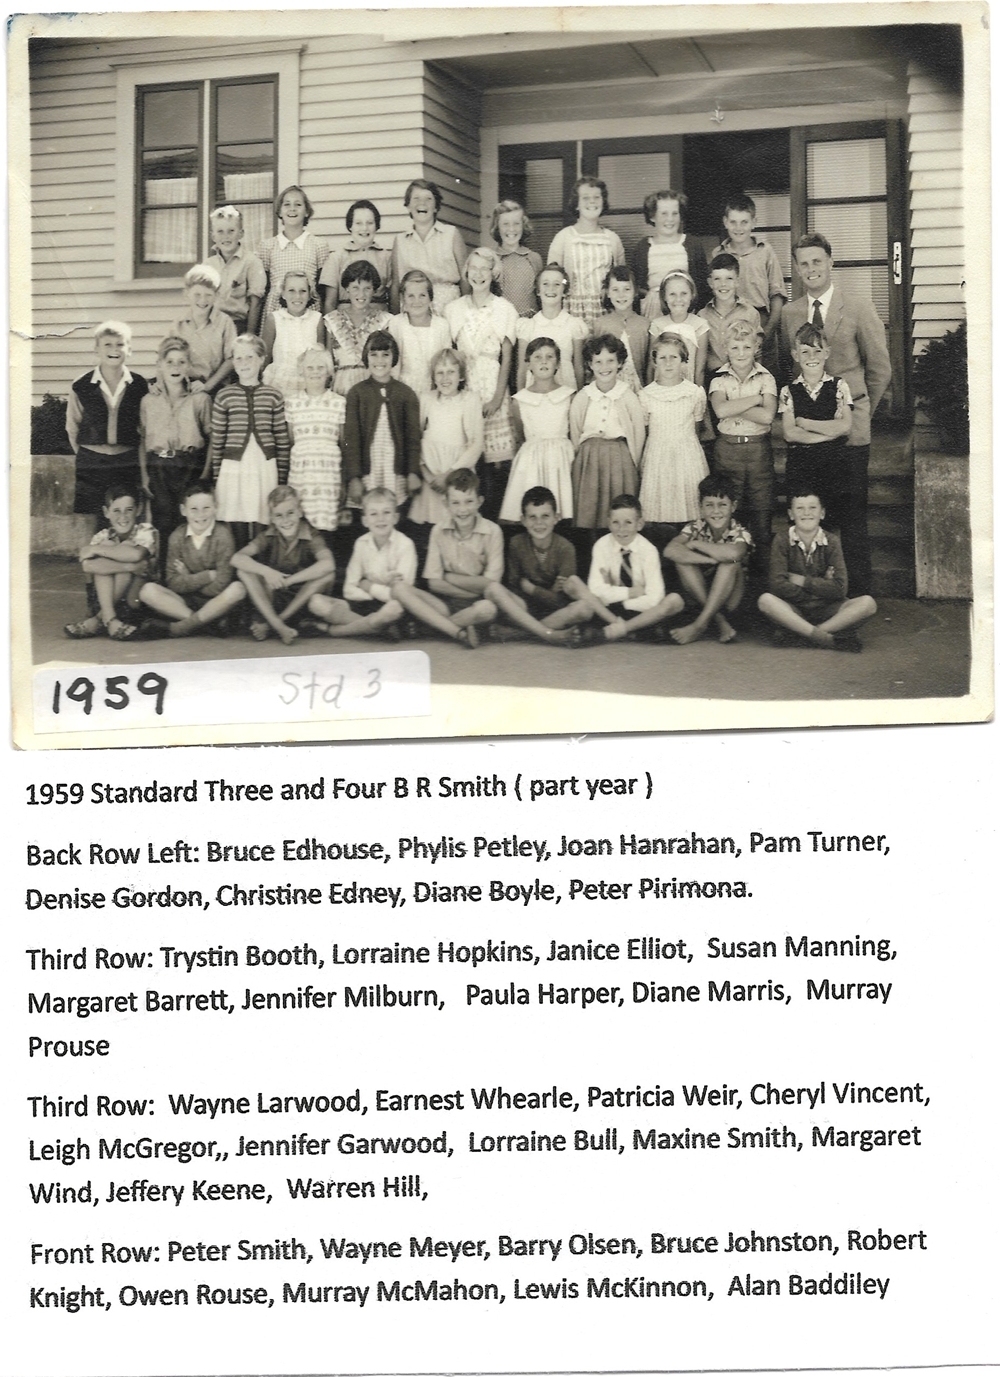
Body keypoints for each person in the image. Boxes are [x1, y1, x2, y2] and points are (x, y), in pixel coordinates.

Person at [780, 232, 892, 597]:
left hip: (849, 433)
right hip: (807, 435)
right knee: (810, 517)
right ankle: (814, 598)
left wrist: (861, 412)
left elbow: (880, 369)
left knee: (851, 520)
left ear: (830, 262)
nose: (811, 269)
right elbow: (791, 368)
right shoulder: (790, 313)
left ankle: (858, 599)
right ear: (796, 269)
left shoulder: (857, 307)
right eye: (803, 263)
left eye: (817, 261)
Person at [444, 247, 519, 518]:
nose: (478, 274)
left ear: (494, 273)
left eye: (484, 269)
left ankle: (495, 519)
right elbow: (451, 354)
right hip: (466, 389)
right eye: (473, 268)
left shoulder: (504, 309)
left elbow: (508, 357)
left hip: (492, 385)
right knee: (470, 458)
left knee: (497, 464)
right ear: (466, 272)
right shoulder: (453, 309)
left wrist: (498, 397)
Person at [391, 467, 500, 647]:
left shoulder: (492, 531)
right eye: (455, 503)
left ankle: (432, 627)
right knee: (399, 588)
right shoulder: (438, 530)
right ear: (445, 503)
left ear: (479, 502)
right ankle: (457, 630)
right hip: (443, 604)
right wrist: (475, 585)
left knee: (488, 609)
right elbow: (434, 583)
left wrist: (448, 577)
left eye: (468, 501)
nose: (462, 509)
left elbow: (490, 584)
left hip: (476, 604)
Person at [758, 491, 877, 651]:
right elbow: (777, 585)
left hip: (828, 608)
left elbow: (840, 588)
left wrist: (801, 581)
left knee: (868, 603)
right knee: (766, 600)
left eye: (812, 508)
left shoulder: (832, 541)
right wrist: (821, 587)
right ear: (791, 514)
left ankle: (807, 634)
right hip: (795, 608)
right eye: (800, 508)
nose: (806, 513)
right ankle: (827, 637)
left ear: (822, 513)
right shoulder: (781, 540)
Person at [707, 318, 778, 576]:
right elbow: (720, 409)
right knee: (729, 515)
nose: (740, 353)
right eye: (735, 347)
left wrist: (736, 406)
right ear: (726, 348)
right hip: (728, 452)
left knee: (761, 516)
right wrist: (756, 399)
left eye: (746, 347)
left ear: (756, 347)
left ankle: (761, 582)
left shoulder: (766, 377)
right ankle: (731, 578)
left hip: (758, 451)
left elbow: (767, 417)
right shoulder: (719, 378)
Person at [486, 486, 599, 645]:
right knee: (494, 590)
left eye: (545, 516)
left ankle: (518, 634)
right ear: (523, 520)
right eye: (532, 517)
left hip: (556, 612)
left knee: (585, 608)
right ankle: (548, 633)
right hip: (524, 609)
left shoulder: (565, 548)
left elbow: (561, 600)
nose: (539, 523)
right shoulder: (516, 543)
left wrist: (532, 589)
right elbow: (514, 587)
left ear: (556, 518)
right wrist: (547, 591)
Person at [207, 334, 290, 543]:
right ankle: (239, 566)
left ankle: (260, 564)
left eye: (250, 357)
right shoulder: (224, 396)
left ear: (262, 359)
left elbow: (281, 438)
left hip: (264, 464)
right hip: (233, 466)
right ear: (233, 362)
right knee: (237, 517)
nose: (244, 363)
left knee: (263, 515)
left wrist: (281, 476)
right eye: (238, 358)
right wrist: (217, 476)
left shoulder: (274, 395)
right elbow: (218, 440)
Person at [137, 481, 246, 637]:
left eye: (206, 508)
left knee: (238, 589)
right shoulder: (177, 537)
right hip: (186, 602)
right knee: (147, 591)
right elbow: (173, 583)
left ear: (215, 507)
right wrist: (206, 576)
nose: (200, 515)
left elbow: (221, 585)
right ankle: (206, 623)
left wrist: (187, 577)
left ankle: (180, 627)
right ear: (183, 510)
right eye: (194, 509)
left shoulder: (223, 536)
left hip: (216, 601)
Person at [778, 320, 854, 542]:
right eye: (805, 351)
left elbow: (845, 426)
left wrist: (806, 423)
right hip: (800, 468)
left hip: (834, 466)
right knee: (801, 525)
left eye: (817, 351)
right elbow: (790, 434)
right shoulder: (788, 391)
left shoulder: (839, 386)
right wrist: (829, 433)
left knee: (831, 525)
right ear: (795, 355)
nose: (812, 357)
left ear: (827, 353)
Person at [230, 485, 334, 644]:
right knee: (244, 572)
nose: (285, 521)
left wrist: (289, 580)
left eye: (290, 513)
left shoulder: (311, 534)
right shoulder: (268, 535)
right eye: (278, 515)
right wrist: (266, 571)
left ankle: (274, 624)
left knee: (328, 575)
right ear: (271, 518)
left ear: (300, 511)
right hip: (274, 599)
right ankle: (279, 626)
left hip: (301, 602)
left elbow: (328, 564)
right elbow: (237, 558)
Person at [138, 335, 213, 556]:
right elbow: (142, 439)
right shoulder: (148, 401)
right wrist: (144, 476)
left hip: (190, 466)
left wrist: (205, 474)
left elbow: (212, 439)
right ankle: (164, 576)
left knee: (190, 522)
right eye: (169, 361)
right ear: (160, 364)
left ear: (189, 365)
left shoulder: (200, 399)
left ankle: (188, 578)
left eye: (181, 362)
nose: (175, 367)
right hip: (159, 466)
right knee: (163, 522)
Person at [308, 487, 415, 640]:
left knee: (394, 608)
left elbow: (404, 595)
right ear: (365, 520)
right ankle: (378, 628)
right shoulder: (361, 543)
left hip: (388, 606)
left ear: (395, 517)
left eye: (386, 512)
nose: (380, 519)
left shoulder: (405, 545)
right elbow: (349, 589)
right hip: (362, 604)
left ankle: (336, 630)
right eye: (373, 514)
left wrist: (367, 585)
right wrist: (377, 591)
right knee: (316, 602)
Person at [66, 320, 148, 517]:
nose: (114, 349)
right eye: (107, 344)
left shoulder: (139, 385)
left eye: (120, 344)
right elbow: (72, 427)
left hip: (126, 461)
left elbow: (145, 429)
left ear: (129, 349)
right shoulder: (81, 385)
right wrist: (89, 456)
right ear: (96, 349)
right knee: (93, 516)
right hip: (92, 462)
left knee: (125, 513)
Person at [570, 334, 645, 537]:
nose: (605, 367)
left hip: (619, 458)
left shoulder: (627, 395)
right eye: (598, 361)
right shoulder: (583, 396)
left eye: (611, 360)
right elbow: (575, 431)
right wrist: (580, 458)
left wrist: (633, 463)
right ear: (590, 364)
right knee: (590, 509)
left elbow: (638, 432)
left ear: (620, 363)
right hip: (589, 459)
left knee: (618, 507)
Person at [581, 493, 683, 643]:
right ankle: (636, 632)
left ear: (639, 524)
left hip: (638, 610)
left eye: (628, 522)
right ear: (608, 523)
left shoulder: (648, 550)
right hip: (610, 610)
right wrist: (630, 592)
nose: (621, 529)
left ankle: (621, 630)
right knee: (582, 594)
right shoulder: (601, 546)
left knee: (675, 601)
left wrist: (622, 602)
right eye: (616, 522)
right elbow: (595, 589)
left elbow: (655, 597)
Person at [664, 473, 752, 644]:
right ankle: (718, 620)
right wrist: (709, 560)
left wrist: (697, 544)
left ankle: (699, 625)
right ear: (701, 507)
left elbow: (735, 553)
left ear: (733, 506)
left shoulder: (740, 531)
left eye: (722, 505)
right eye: (709, 505)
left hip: (732, 597)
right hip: (702, 590)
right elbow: (670, 550)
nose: (716, 511)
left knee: (730, 563)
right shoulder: (695, 526)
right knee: (682, 561)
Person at [63, 484, 156, 641]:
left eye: (129, 510)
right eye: (116, 511)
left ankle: (98, 620)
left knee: (121, 548)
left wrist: (97, 551)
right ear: (106, 512)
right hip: (99, 599)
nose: (123, 516)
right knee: (108, 546)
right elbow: (88, 565)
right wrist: (129, 567)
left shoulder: (146, 530)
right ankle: (111, 620)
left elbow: (135, 554)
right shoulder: (102, 535)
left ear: (138, 510)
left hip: (132, 604)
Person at [343, 331, 422, 511]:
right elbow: (351, 439)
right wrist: (354, 477)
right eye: (374, 355)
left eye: (386, 354)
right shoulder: (356, 393)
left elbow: (413, 438)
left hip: (394, 471)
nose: (380, 360)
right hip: (368, 470)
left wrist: (412, 472)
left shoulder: (406, 394)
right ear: (366, 357)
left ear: (394, 358)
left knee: (393, 512)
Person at [500, 338, 575, 524]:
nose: (544, 361)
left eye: (550, 357)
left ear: (557, 363)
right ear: (529, 364)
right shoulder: (519, 400)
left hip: (562, 461)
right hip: (531, 460)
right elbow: (520, 434)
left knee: (563, 508)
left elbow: (574, 431)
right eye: (538, 357)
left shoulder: (569, 396)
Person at [638, 333, 708, 532]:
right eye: (662, 358)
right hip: (657, 456)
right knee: (659, 511)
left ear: (684, 360)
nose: (668, 363)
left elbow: (697, 427)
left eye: (674, 357)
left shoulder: (694, 393)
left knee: (689, 508)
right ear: (654, 362)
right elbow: (646, 430)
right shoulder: (645, 395)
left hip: (687, 455)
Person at [411, 348, 484, 529]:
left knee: (456, 522)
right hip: (431, 475)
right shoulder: (426, 399)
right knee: (431, 525)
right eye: (440, 373)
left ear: (461, 376)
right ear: (433, 377)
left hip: (457, 473)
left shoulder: (470, 400)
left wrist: (449, 476)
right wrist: (428, 476)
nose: (445, 378)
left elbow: (476, 444)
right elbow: (414, 438)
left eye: (451, 372)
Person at [284, 345, 346, 539]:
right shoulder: (292, 402)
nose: (315, 372)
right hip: (302, 471)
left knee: (325, 525)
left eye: (320, 368)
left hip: (328, 473)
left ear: (328, 371)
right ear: (302, 371)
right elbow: (291, 439)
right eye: (310, 368)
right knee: (301, 522)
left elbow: (342, 441)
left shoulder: (338, 402)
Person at [712, 193, 786, 354]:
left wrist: (768, 331)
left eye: (744, 222)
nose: (738, 228)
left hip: (761, 320)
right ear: (725, 222)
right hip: (728, 320)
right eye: (733, 222)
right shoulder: (717, 254)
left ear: (754, 222)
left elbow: (777, 294)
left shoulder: (765, 252)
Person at [547, 176, 625, 327]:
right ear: (576, 204)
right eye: (585, 198)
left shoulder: (613, 239)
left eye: (597, 197)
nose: (592, 202)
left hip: (605, 310)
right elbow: (553, 278)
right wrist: (569, 288)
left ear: (603, 202)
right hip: (571, 311)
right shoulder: (563, 237)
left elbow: (621, 278)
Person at [631, 188, 710, 320]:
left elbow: (702, 287)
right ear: (652, 216)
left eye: (675, 213)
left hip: (685, 314)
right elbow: (634, 288)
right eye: (664, 214)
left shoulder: (693, 244)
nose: (670, 219)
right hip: (652, 315)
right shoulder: (642, 248)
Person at [391, 179, 468, 313]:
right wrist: (394, 318)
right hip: (413, 309)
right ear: (408, 206)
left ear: (436, 207)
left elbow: (466, 278)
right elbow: (395, 284)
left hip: (448, 308)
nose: (422, 203)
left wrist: (467, 313)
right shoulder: (400, 240)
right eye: (416, 198)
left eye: (428, 199)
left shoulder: (452, 234)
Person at [258, 185, 331, 326]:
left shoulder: (318, 245)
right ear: (279, 211)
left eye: (298, 204)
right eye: (287, 204)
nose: (292, 208)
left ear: (307, 212)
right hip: (276, 314)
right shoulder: (268, 246)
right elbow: (264, 287)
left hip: (308, 312)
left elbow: (323, 289)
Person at [515, 263, 588, 393]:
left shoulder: (574, 325)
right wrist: (521, 399)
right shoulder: (528, 326)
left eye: (557, 284)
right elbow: (522, 368)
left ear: (565, 291)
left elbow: (578, 367)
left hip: (566, 389)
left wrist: (579, 397)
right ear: (538, 290)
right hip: (535, 392)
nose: (551, 289)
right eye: (545, 284)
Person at [325, 260, 393, 398]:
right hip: (340, 388)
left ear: (374, 290)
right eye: (355, 287)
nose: (361, 294)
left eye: (367, 288)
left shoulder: (384, 320)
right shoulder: (332, 320)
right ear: (347, 288)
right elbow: (327, 362)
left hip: (373, 387)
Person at [169, 263, 237, 394]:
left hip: (216, 386)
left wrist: (208, 385)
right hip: (184, 386)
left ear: (216, 295)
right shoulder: (178, 324)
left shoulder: (224, 322)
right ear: (187, 294)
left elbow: (231, 359)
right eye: (197, 294)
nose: (202, 300)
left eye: (208, 295)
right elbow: (166, 357)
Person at [319, 199, 393, 315]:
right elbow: (329, 303)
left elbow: (394, 300)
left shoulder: (387, 257)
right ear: (350, 226)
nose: (364, 228)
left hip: (379, 321)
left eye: (370, 223)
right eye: (358, 223)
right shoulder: (336, 258)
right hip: (345, 321)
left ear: (376, 226)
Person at [261, 270, 325, 398]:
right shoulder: (274, 319)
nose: (297, 296)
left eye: (303, 291)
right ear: (283, 293)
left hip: (308, 384)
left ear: (309, 294)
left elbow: (320, 358)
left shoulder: (317, 319)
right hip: (278, 384)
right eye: (291, 290)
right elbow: (264, 359)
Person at [387, 269, 452, 396]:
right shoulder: (396, 323)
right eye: (411, 296)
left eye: (422, 295)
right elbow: (393, 364)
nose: (417, 301)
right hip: (403, 391)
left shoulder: (441, 325)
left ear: (430, 298)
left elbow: (445, 363)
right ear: (403, 299)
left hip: (434, 391)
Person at [205, 204, 265, 336]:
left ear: (241, 233)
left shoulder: (251, 262)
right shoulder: (208, 265)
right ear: (213, 236)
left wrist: (249, 335)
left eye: (231, 231)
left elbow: (255, 304)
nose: (226, 236)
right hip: (212, 325)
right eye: (220, 231)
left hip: (238, 326)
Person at [698, 253, 762, 377]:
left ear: (737, 281)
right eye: (717, 279)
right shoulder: (702, 316)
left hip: (744, 376)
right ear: (710, 282)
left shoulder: (750, 313)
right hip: (713, 377)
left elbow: (758, 353)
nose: (723, 284)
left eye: (729, 279)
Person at [646, 270, 709, 389]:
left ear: (692, 295)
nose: (678, 299)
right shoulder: (657, 325)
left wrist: (699, 398)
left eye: (684, 293)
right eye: (672, 294)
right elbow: (651, 365)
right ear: (664, 297)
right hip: (661, 388)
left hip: (688, 388)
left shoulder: (700, 325)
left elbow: (700, 369)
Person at [598, 265, 647, 395]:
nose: (621, 295)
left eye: (626, 289)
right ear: (607, 292)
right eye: (615, 289)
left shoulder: (645, 324)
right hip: (608, 390)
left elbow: (649, 365)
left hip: (639, 389)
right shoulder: (600, 324)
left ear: (635, 292)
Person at [490, 199, 544, 317]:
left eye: (516, 223)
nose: (511, 229)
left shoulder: (534, 258)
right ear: (497, 227)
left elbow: (541, 296)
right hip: (500, 322)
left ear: (523, 226)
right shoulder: (491, 259)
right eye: (505, 224)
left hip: (529, 323)